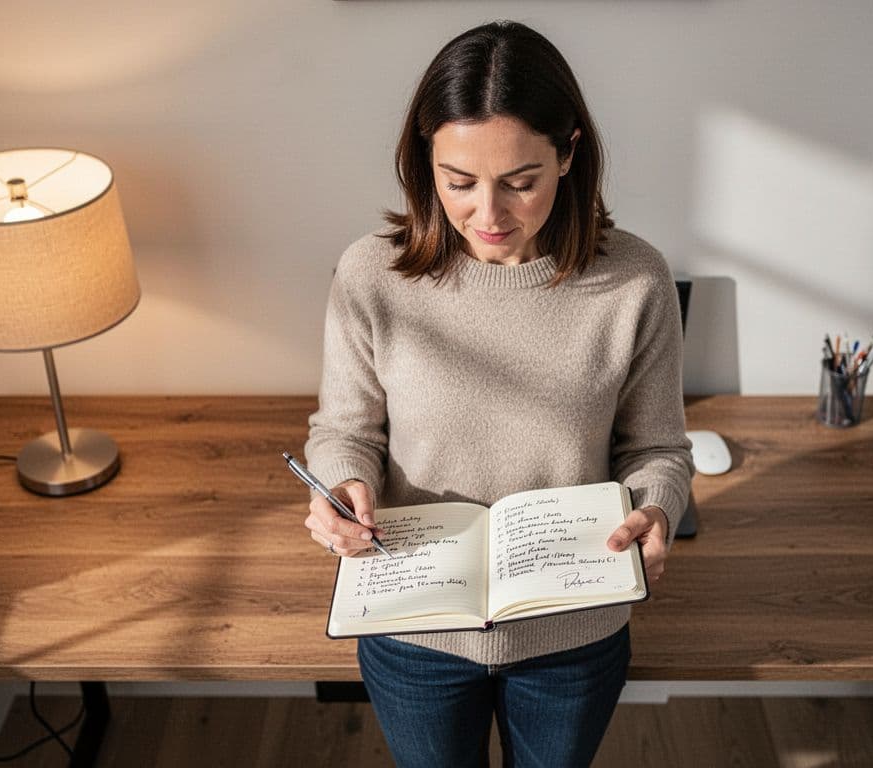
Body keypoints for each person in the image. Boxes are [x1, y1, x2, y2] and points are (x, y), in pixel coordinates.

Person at [303, 20, 693, 767]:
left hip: (573, 631)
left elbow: (657, 449)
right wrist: (343, 484)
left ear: (570, 153)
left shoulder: (634, 281)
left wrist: (654, 506)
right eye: (459, 183)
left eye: (521, 182)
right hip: (413, 623)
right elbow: (344, 431)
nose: (489, 214)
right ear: (426, 163)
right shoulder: (370, 276)